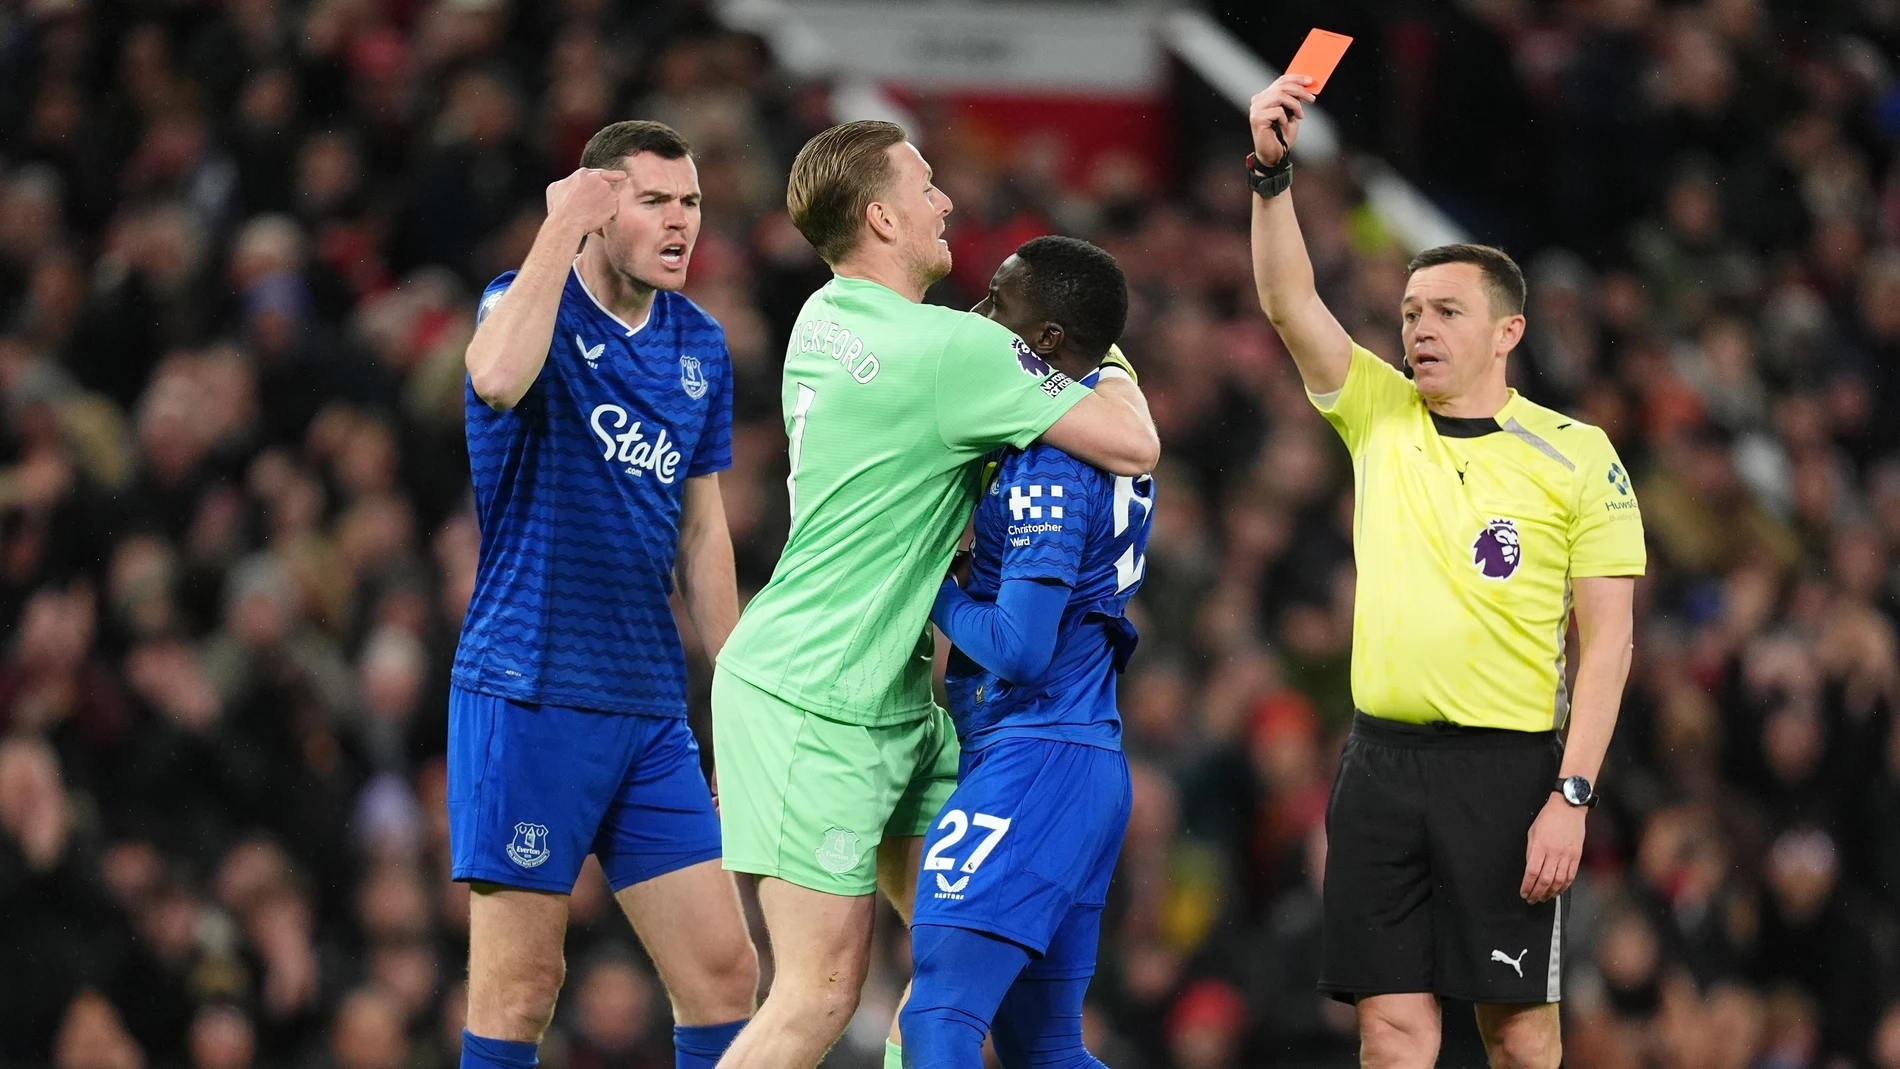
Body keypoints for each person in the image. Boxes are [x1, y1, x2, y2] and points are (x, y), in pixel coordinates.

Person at [710, 121, 1160, 1069]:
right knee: (820, 994)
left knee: (955, 959)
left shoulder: (822, 317)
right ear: (880, 215)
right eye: (924, 187)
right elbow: (1134, 445)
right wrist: (1104, 354)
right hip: (818, 697)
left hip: (891, 694)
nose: (946, 200)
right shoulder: (956, 350)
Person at [1245, 75, 1646, 1069]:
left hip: (1507, 774)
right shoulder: (1378, 412)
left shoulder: (1578, 453)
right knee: (1390, 1033)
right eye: (1411, 309)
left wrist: (1572, 792)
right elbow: (1288, 299)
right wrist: (1269, 173)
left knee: (1517, 1036)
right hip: (1378, 766)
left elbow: (1608, 645)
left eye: (1446, 312)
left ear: (1506, 331)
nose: (1418, 328)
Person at [451, 120, 757, 1069]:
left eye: (692, 203)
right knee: (519, 989)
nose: (681, 224)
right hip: (530, 687)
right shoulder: (522, 303)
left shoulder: (699, 344)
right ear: (598, 203)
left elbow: (702, 531)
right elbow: (496, 377)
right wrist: (557, 231)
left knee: (724, 972)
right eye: (655, 200)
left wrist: (741, 690)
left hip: (649, 703)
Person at [897, 236, 1151, 1069]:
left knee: (939, 1010)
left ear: (1044, 340)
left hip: (1035, 755)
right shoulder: (1095, 417)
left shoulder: (1050, 455)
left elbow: (1019, 647)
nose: (978, 313)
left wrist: (926, 579)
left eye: (997, 301)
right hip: (1078, 761)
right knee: (1043, 1048)